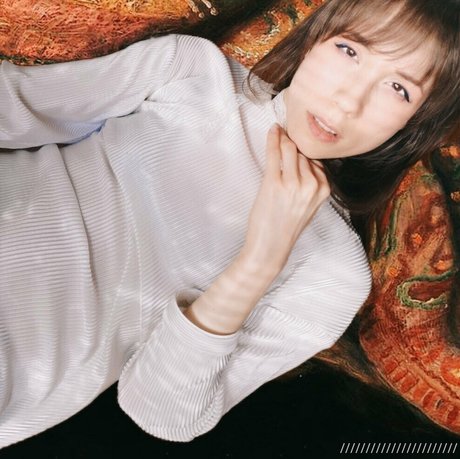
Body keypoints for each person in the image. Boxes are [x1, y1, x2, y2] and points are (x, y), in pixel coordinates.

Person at [0, 0, 458, 448]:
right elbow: (13, 107)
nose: (349, 100)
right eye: (349, 50)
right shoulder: (194, 71)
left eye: (398, 88)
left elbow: (158, 412)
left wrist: (260, 260)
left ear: (417, 122)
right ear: (315, 37)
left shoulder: (332, 273)